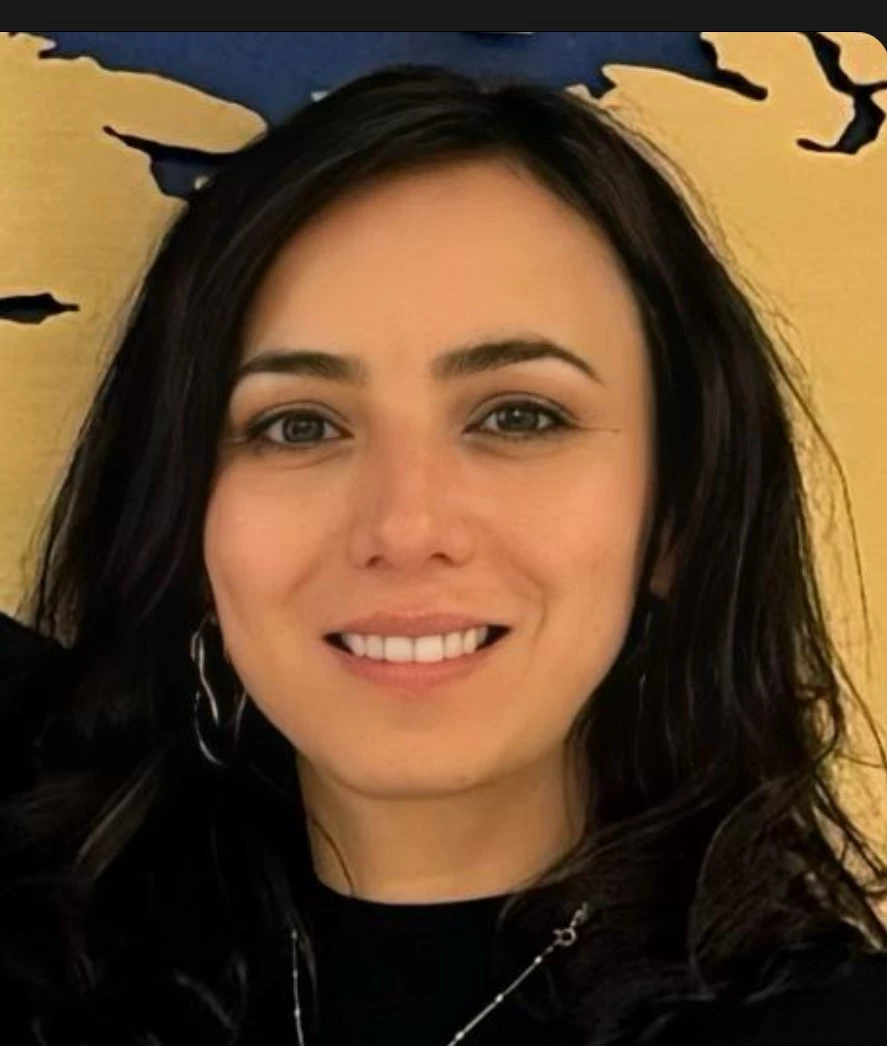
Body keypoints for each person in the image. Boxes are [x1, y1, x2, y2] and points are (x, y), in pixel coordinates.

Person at [1, 64, 886, 1046]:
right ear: (183, 522)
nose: (405, 524)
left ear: (673, 517)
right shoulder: (62, 970)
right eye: (298, 425)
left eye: (517, 415)